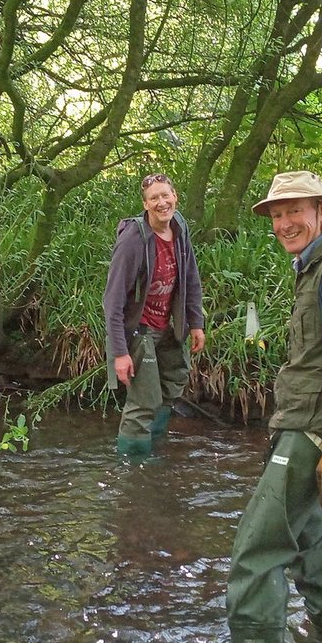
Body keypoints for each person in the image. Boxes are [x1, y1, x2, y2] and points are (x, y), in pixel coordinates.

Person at [226, 170, 322, 643]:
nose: (285, 222)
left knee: (257, 550)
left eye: (295, 211)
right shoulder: (312, 267)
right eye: (278, 213)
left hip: (314, 432)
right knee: (313, 541)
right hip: (306, 425)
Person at [102, 173, 207, 456]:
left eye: (165, 196)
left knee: (174, 383)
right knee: (144, 400)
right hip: (140, 330)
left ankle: (153, 445)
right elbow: (112, 301)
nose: (161, 203)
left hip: (169, 327)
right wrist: (120, 353)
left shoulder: (179, 227)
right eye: (154, 198)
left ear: (175, 197)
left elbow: (190, 276)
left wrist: (196, 322)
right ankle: (133, 466)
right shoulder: (132, 241)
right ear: (145, 205)